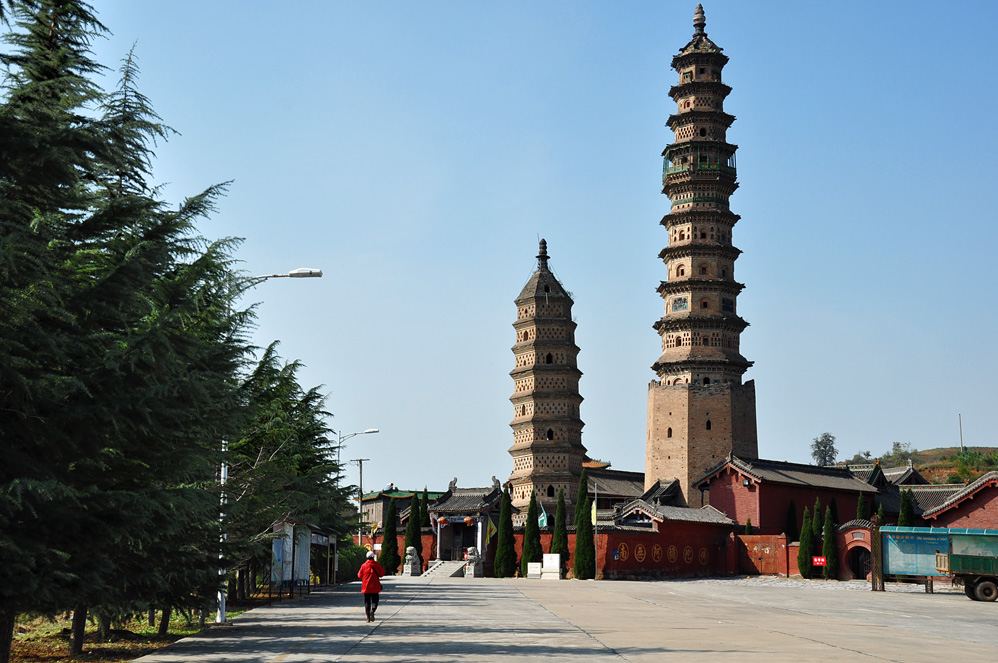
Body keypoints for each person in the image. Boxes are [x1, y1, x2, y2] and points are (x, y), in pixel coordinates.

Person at [357, 550, 385, 622]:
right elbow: (382, 574)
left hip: (366, 587)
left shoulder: (363, 565)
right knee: (375, 601)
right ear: (373, 557)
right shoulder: (377, 565)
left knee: (367, 602)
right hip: (375, 587)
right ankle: (373, 610)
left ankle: (368, 616)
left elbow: (359, 575)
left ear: (366, 557)